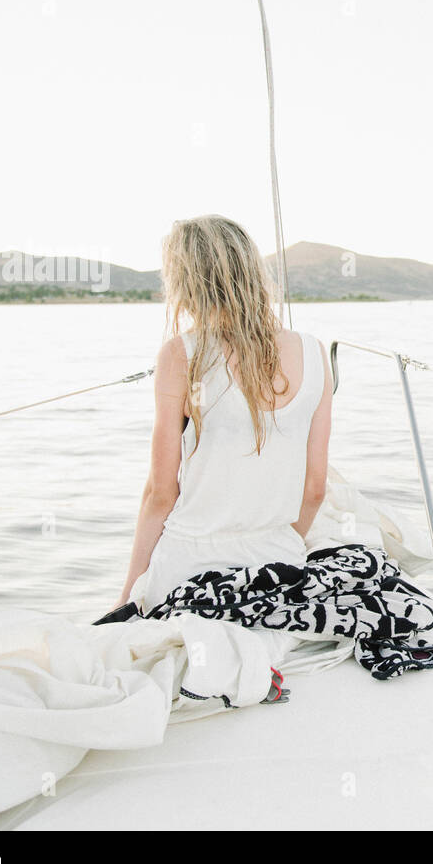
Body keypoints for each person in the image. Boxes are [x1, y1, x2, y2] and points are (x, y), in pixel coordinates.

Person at [112, 215, 332, 615]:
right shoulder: (314, 353)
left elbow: (161, 495)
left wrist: (129, 592)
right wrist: (275, 544)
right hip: (278, 570)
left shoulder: (182, 354)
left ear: (185, 282)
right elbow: (315, 489)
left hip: (189, 571)